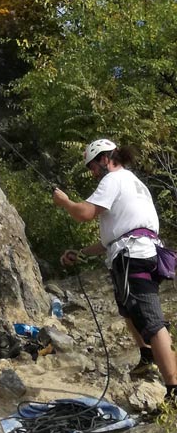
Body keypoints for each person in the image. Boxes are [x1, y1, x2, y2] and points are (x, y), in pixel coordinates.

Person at [54, 138, 177, 400]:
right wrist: (82, 253)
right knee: (128, 308)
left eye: (93, 166)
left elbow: (84, 213)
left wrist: (64, 202)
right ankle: (147, 356)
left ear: (105, 159)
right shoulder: (133, 182)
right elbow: (111, 238)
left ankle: (173, 387)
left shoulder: (113, 179)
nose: (93, 173)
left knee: (151, 320)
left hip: (133, 255)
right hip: (139, 251)